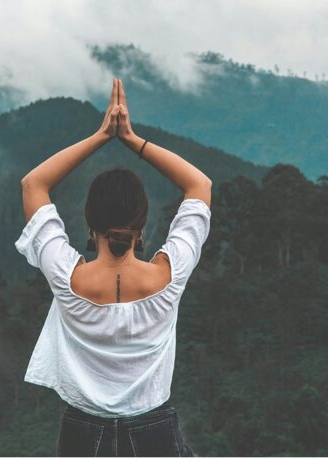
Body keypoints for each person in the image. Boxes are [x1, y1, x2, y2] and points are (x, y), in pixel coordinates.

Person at [15, 78, 211, 456]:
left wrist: (102, 135)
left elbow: (33, 184)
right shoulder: (168, 276)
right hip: (155, 432)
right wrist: (132, 139)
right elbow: (199, 185)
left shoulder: (67, 277)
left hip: (82, 435)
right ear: (141, 227)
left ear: (90, 224)